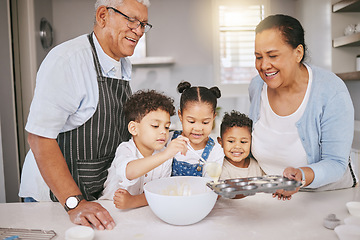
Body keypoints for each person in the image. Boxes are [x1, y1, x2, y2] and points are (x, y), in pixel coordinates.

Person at [18, 0, 152, 230]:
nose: (138, 30)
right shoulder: (68, 61)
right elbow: (39, 138)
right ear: (102, 16)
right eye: (131, 21)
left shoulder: (122, 65)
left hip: (93, 195)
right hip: (57, 199)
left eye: (143, 24)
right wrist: (74, 203)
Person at [249, 14, 358, 200]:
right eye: (258, 56)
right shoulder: (256, 86)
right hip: (270, 196)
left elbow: (336, 163)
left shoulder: (331, 91)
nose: (264, 65)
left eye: (273, 55)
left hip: (323, 198)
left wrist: (302, 176)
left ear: (298, 53)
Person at [100, 90, 188, 209]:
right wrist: (167, 154)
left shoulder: (165, 156)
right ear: (133, 128)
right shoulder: (126, 149)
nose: (163, 131)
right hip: (109, 209)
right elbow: (129, 172)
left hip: (141, 211)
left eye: (167, 127)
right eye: (155, 126)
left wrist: (133, 201)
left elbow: (160, 192)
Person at [170, 81, 224, 180]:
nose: (198, 129)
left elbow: (210, 186)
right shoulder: (168, 140)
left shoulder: (216, 152)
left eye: (205, 122)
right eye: (191, 121)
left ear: (213, 117)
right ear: (180, 116)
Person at [218, 111, 264, 180]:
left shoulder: (258, 165)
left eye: (243, 142)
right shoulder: (220, 168)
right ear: (221, 142)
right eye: (231, 141)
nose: (237, 146)